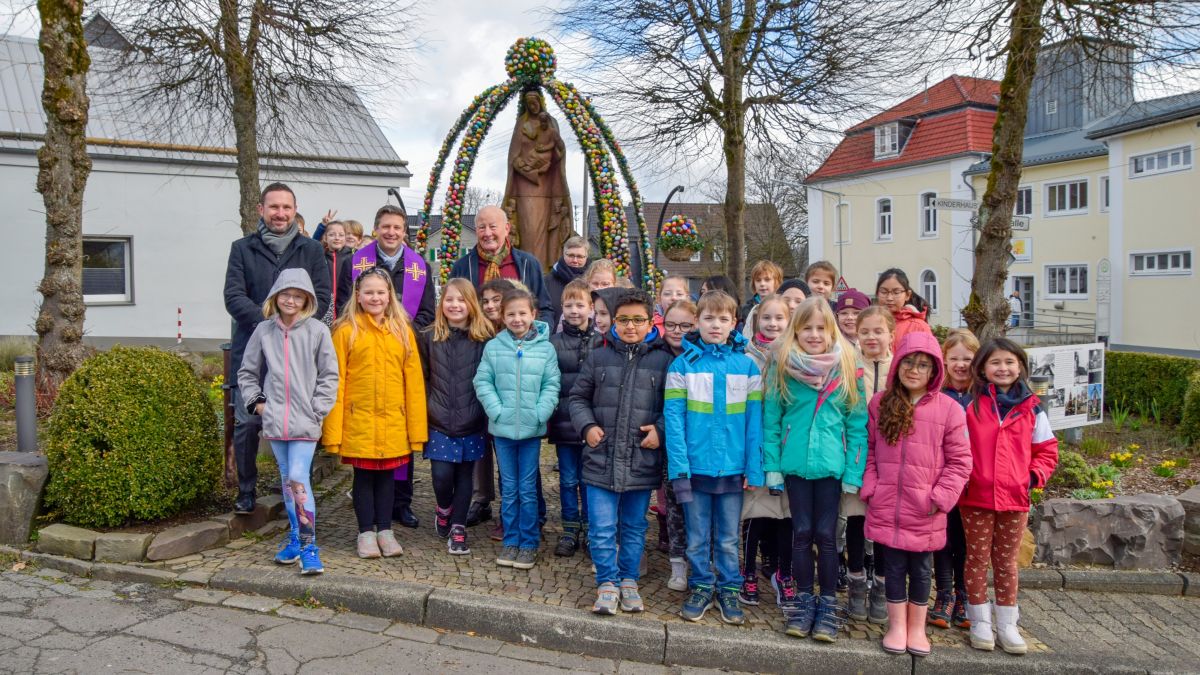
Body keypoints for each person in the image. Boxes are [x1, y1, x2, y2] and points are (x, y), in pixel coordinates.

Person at [861, 332, 972, 658]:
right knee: (893, 567)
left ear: (934, 370)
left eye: (923, 365)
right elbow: (868, 450)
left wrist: (939, 498)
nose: (914, 370)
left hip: (925, 509)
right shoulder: (880, 404)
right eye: (909, 362)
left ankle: (917, 628)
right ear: (897, 365)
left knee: (922, 570)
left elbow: (961, 462)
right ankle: (897, 626)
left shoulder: (949, 410)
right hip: (888, 504)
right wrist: (872, 485)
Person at [763, 297, 867, 642]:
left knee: (826, 537)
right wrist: (772, 468)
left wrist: (853, 473)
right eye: (806, 327)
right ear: (796, 329)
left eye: (820, 328)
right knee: (801, 533)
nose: (813, 334)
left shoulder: (847, 367)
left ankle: (827, 604)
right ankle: (804, 600)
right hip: (794, 465)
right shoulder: (783, 366)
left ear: (831, 330)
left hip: (831, 467)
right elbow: (772, 420)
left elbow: (857, 425)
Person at [224, 182, 331, 514]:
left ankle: (293, 489)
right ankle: (246, 490)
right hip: (253, 350)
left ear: (294, 210)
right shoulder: (242, 248)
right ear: (261, 210)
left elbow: (322, 295)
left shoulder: (311, 250)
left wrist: (292, 323)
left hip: (297, 353)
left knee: (296, 420)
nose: (280, 213)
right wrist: (269, 323)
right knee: (247, 422)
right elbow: (233, 295)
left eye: (286, 207)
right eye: (273, 207)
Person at [569, 289, 673, 614]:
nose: (630, 326)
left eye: (638, 320)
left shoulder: (664, 360)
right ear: (614, 321)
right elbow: (577, 398)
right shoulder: (599, 356)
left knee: (634, 526)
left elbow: (675, 406)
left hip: (642, 460)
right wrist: (587, 427)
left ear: (649, 321)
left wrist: (661, 429)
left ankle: (629, 580)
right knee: (601, 527)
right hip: (600, 458)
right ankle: (607, 582)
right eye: (624, 320)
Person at [666, 290, 764, 626]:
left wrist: (754, 468)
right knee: (696, 535)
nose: (715, 325)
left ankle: (729, 588)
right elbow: (674, 421)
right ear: (697, 322)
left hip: (733, 470)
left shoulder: (748, 367)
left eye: (723, 319)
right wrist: (679, 467)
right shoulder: (682, 366)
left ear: (734, 323)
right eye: (709, 318)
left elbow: (755, 424)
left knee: (727, 537)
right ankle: (701, 585)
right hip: (695, 469)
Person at [236, 269, 338, 575]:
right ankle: (295, 538)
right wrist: (258, 404)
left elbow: (329, 375)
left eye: (297, 295)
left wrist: (317, 409)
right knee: (286, 479)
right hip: (275, 421)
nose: (291, 300)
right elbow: (247, 372)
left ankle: (309, 547)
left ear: (306, 299)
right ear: (275, 297)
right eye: (285, 294)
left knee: (298, 477)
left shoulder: (318, 331)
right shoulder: (263, 331)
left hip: (305, 422)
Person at [961, 338, 1058, 655]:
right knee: (976, 560)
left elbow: (1046, 451)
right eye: (995, 363)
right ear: (983, 368)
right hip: (975, 497)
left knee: (1006, 563)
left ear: (1020, 367)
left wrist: (1032, 477)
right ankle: (979, 619)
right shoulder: (971, 405)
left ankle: (1007, 623)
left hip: (1015, 499)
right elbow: (958, 446)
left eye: (1009, 362)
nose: (1003, 368)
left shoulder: (1033, 408)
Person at [322, 268, 427, 559]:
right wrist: (333, 431)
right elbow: (336, 382)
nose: (375, 297)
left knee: (388, 480)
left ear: (390, 295)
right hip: (359, 421)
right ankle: (365, 532)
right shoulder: (346, 331)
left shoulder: (402, 330)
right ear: (358, 295)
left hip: (394, 419)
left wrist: (416, 430)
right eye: (369, 292)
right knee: (364, 479)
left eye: (381, 292)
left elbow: (414, 383)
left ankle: (386, 530)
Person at [347, 204, 436, 530]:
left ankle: (402, 502)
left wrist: (399, 334)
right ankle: (368, 505)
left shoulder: (418, 266)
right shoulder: (355, 263)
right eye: (385, 226)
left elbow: (427, 314)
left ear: (404, 232)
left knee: (401, 428)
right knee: (370, 431)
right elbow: (346, 305)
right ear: (376, 229)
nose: (391, 233)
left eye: (397, 228)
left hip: (401, 356)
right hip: (366, 355)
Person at [473, 289, 561, 570]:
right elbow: (482, 381)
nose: (517, 318)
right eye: (511, 314)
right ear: (503, 316)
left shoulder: (545, 349)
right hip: (503, 431)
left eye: (523, 313)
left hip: (531, 431)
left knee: (528, 489)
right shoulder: (494, 347)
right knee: (509, 489)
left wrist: (540, 413)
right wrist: (497, 410)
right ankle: (511, 540)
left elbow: (551, 384)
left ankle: (529, 542)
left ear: (533, 315)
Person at [418, 279, 495, 555]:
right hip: (438, 419)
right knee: (441, 475)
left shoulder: (484, 339)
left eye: (461, 300)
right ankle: (443, 509)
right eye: (450, 300)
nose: (455, 305)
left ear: (471, 304)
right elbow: (423, 377)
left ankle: (458, 527)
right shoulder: (429, 337)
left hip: (472, 420)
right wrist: (427, 408)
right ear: (442, 304)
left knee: (465, 477)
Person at [739, 295, 794, 608]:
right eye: (767, 318)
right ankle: (748, 571)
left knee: (785, 515)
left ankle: (783, 573)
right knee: (756, 514)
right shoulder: (746, 355)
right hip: (755, 444)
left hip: (786, 446)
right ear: (756, 321)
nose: (773, 324)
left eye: (779, 319)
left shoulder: (795, 355)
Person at [847, 305, 896, 625]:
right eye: (865, 331)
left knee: (882, 528)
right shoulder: (849, 365)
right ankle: (855, 585)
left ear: (891, 334)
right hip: (855, 456)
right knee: (854, 521)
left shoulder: (900, 369)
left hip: (891, 460)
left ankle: (880, 586)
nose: (871, 337)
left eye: (878, 331)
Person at [931, 328, 980, 630]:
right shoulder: (938, 395)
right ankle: (944, 595)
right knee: (943, 540)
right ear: (945, 361)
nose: (961, 364)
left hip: (974, 484)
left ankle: (964, 595)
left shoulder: (983, 396)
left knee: (966, 543)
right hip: (943, 480)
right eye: (954, 358)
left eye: (968, 359)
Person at [465, 278, 519, 533]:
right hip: (482, 400)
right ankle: (482, 499)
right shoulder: (478, 328)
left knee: (510, 461)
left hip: (511, 407)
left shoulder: (516, 329)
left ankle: (513, 511)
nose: (489, 306)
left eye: (496, 300)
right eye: (485, 301)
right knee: (482, 453)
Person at [548, 280, 596, 557]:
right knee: (567, 480)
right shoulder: (553, 343)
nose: (574, 310)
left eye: (580, 305)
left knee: (589, 479)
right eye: (569, 305)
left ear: (591, 308)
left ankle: (590, 529)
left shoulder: (601, 341)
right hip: (564, 424)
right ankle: (569, 529)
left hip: (591, 424)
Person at [503, 88, 574, 271]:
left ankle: (544, 272)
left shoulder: (551, 124)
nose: (533, 107)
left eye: (535, 103)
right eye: (529, 104)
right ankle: (526, 271)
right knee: (529, 231)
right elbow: (513, 155)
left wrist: (550, 156)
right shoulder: (522, 124)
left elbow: (559, 150)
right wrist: (522, 166)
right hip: (525, 186)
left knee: (544, 232)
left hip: (546, 187)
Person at [450, 205, 553, 323]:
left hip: (520, 339)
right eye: (482, 227)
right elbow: (453, 309)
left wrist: (537, 337)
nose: (487, 233)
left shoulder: (528, 263)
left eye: (493, 227)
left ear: (507, 228)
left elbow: (544, 309)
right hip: (475, 338)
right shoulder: (462, 267)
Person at [659, 298, 697, 591]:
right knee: (672, 505)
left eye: (685, 325)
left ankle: (699, 561)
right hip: (665, 441)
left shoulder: (700, 357)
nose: (676, 331)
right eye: (670, 325)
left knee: (697, 508)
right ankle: (677, 563)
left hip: (697, 442)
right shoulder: (656, 354)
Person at [875, 269, 932, 346]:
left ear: (907, 295)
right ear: (877, 294)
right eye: (884, 292)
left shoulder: (918, 326)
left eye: (896, 292)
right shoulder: (869, 323)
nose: (889, 298)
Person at [544, 236, 590, 328]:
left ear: (586, 257)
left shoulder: (592, 281)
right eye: (571, 255)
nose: (575, 260)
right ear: (563, 254)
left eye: (580, 256)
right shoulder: (546, 281)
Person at [321, 220, 354, 326]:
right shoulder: (320, 257)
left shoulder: (352, 257)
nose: (337, 238)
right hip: (325, 307)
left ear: (345, 238)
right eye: (332, 235)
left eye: (341, 235)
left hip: (346, 305)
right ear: (325, 238)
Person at [741, 260, 784, 325]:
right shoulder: (746, 309)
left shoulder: (784, 306)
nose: (762, 284)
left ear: (776, 282)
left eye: (767, 280)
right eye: (758, 280)